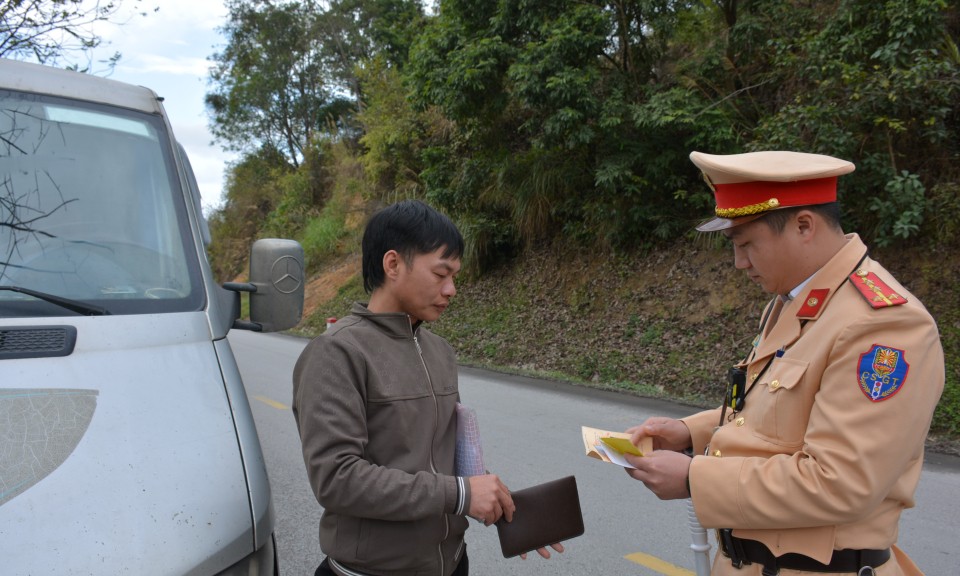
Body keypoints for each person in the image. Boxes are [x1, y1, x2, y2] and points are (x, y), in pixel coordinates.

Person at [623, 151, 945, 576]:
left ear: (804, 226)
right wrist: (688, 433)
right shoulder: (796, 301)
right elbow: (769, 411)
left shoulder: (882, 325)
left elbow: (841, 483)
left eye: (747, 245)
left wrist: (692, 480)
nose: (739, 263)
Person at [292, 199, 561, 576]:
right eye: (440, 274)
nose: (451, 289)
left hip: (451, 564)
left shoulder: (440, 352)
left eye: (455, 277)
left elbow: (450, 463)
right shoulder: (337, 352)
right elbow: (337, 479)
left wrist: (499, 502)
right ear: (393, 264)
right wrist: (461, 494)